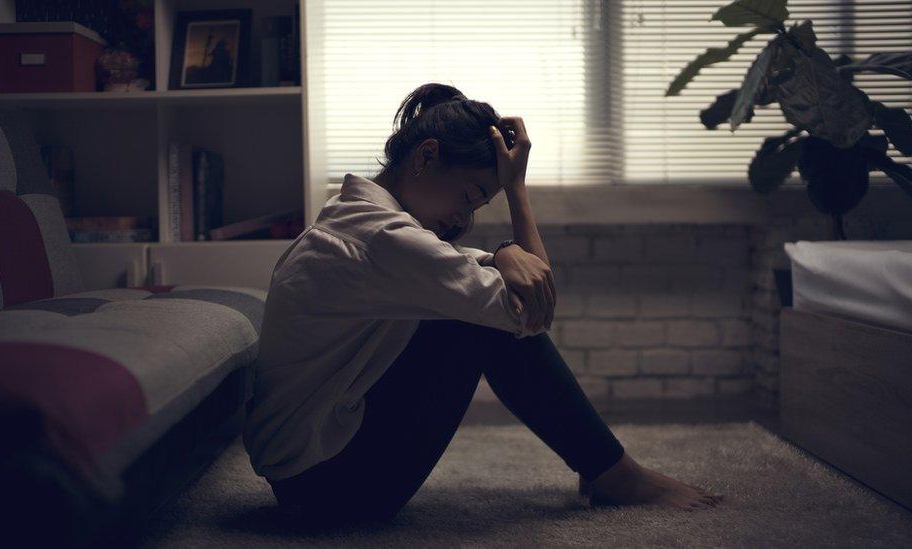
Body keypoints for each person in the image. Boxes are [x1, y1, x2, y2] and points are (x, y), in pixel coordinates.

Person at [243, 82, 725, 526]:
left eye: (477, 207)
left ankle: (604, 468)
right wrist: (516, 191)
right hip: (331, 492)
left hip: (304, 477)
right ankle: (616, 476)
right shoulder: (383, 237)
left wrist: (499, 254)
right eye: (470, 195)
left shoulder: (356, 217)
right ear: (426, 156)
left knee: (470, 306)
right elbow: (532, 311)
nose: (463, 216)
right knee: (484, 324)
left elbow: (455, 267)